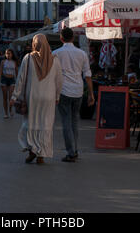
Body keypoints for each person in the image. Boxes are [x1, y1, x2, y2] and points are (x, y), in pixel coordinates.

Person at [10, 34, 63, 165]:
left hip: (32, 97)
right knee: (46, 125)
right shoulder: (55, 60)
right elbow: (59, 81)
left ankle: (32, 151)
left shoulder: (28, 58)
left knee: (31, 123)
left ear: (34, 44)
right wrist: (57, 96)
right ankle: (41, 154)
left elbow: (21, 79)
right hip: (49, 98)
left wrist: (14, 96)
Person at [53, 28, 95, 162]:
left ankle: (71, 152)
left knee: (66, 121)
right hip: (78, 91)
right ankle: (74, 150)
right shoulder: (82, 54)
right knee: (75, 121)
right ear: (73, 38)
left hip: (63, 91)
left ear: (61, 38)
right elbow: (87, 75)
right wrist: (91, 94)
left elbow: (51, 75)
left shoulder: (56, 54)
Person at [0, 49, 18, 119]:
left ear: (12, 54)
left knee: (10, 97)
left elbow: (17, 73)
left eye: (9, 53)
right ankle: (6, 113)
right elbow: (0, 73)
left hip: (12, 80)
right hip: (4, 79)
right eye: (7, 54)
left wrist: (18, 82)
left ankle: (10, 109)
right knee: (5, 97)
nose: (8, 55)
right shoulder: (3, 62)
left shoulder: (14, 62)